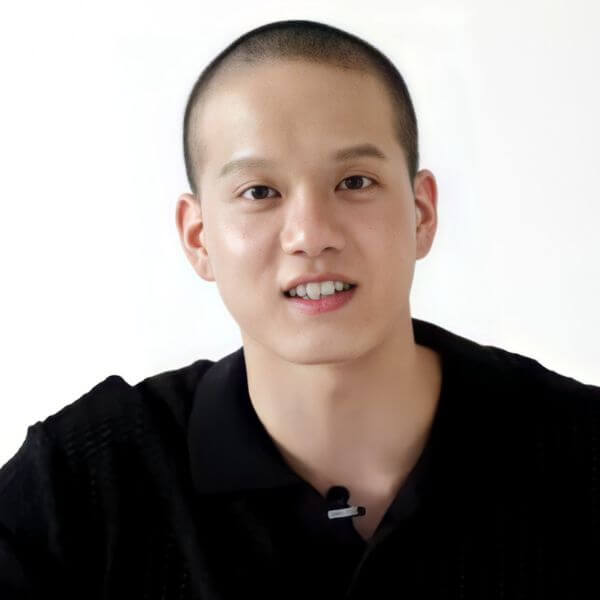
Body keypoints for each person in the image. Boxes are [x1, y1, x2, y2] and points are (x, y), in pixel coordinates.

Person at [1, 18, 599, 600]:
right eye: (259, 192)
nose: (311, 235)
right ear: (198, 236)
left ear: (422, 213)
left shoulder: (581, 450)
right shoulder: (77, 485)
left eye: (355, 182)